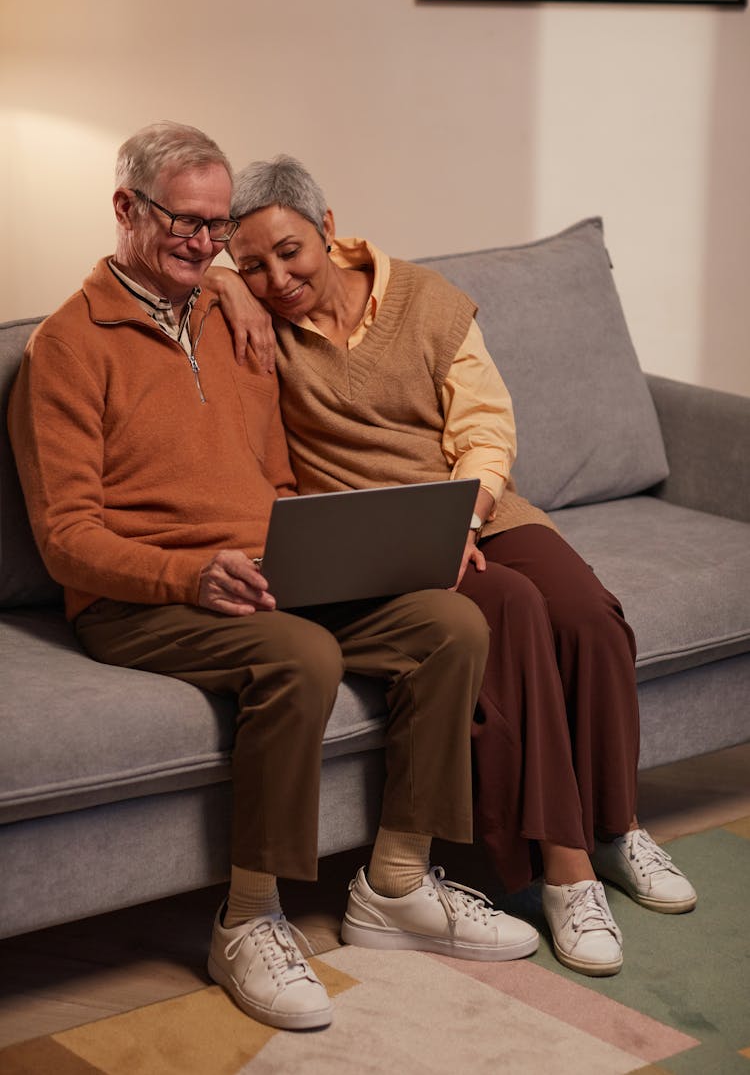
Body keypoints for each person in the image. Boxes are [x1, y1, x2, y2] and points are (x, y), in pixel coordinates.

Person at [7, 123, 540, 1033]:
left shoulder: (229, 311)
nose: (204, 243)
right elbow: (66, 539)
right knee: (299, 654)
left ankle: (397, 886)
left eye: (218, 228)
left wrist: (223, 285)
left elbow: (279, 464)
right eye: (185, 222)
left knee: (449, 626)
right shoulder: (64, 347)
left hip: (265, 570)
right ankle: (248, 918)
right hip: (141, 597)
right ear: (125, 208)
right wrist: (187, 574)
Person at [206, 153, 698, 979]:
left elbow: (486, 427)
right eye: (249, 263)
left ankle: (619, 828)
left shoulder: (426, 301)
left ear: (328, 229)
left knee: (587, 612)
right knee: (509, 609)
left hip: (480, 505)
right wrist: (222, 286)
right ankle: (566, 870)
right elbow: (145, 274)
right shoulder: (253, 324)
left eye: (288, 251)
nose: (274, 277)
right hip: (383, 536)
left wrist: (468, 513)